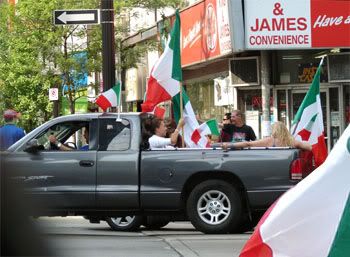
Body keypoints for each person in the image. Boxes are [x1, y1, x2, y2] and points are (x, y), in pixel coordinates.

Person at [222, 121, 312, 151]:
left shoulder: (269, 140)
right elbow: (310, 147)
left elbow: (248, 144)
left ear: (274, 130)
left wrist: (230, 145)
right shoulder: (292, 141)